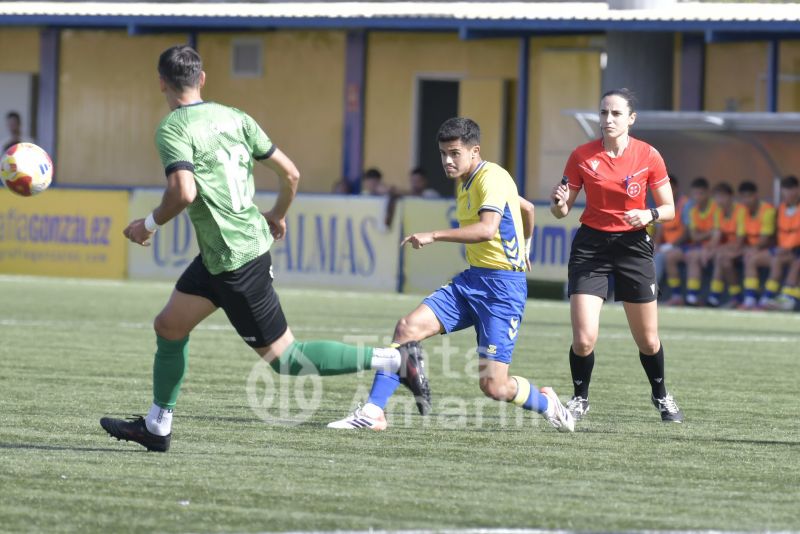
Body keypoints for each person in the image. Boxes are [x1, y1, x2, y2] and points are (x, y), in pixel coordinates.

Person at [99, 45, 429, 452]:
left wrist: (146, 225)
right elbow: (291, 173)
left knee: (286, 359)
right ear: (202, 79)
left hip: (237, 260)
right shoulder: (235, 117)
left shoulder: (172, 128)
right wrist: (277, 213)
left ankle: (395, 361)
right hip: (221, 255)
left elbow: (183, 191)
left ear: (161, 82)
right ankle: (157, 426)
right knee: (169, 326)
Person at [328, 117, 575, 432]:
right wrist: (526, 246)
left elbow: (487, 230)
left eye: (454, 153)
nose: (447, 160)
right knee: (407, 328)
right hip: (472, 281)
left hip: (502, 292)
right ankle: (374, 412)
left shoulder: (492, 178)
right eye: (443, 153)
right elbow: (526, 208)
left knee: (494, 387)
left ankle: (548, 404)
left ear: (475, 151)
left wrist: (433, 235)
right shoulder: (468, 181)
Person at [550, 88, 683, 423]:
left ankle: (661, 394)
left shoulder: (648, 155)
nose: (608, 120)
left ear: (630, 119)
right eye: (604, 113)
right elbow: (561, 212)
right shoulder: (582, 155)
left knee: (649, 341)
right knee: (583, 339)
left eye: (616, 114)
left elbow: (669, 209)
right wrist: (559, 202)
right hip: (591, 247)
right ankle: (580, 399)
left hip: (633, 247)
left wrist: (649, 215)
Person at [708, 181, 775, 307]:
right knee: (723, 259)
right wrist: (712, 249)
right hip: (747, 248)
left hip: (767, 250)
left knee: (749, 259)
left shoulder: (767, 210)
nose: (747, 200)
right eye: (743, 197)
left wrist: (743, 249)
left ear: (756, 195)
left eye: (749, 196)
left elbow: (764, 240)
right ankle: (735, 297)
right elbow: (718, 237)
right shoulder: (741, 210)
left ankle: (753, 299)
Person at [741, 175, 800, 309]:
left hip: (795, 251)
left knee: (783, 261)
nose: (788, 193)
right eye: (785, 190)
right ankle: (749, 300)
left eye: (791, 189)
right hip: (780, 249)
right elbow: (773, 235)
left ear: (797, 190)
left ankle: (770, 299)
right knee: (751, 259)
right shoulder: (780, 209)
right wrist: (756, 249)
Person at [665, 177, 719, 306]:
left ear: (708, 193)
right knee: (670, 256)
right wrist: (708, 233)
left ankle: (692, 297)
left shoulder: (716, 208)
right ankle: (676, 295)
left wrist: (708, 240)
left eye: (700, 193)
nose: (697, 197)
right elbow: (694, 237)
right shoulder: (693, 210)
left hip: (711, 248)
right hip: (695, 246)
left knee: (693, 256)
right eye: (694, 194)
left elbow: (717, 234)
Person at [705, 182, 744, 307]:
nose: (719, 200)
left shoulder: (740, 211)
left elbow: (740, 241)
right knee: (720, 258)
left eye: (722, 196)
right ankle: (718, 296)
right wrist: (709, 250)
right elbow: (716, 237)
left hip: (745, 247)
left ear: (731, 197)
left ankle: (731, 296)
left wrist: (719, 250)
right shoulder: (718, 212)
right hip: (729, 249)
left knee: (722, 257)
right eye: (716, 197)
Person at [653, 175, 689, 285]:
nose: (669, 192)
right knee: (650, 254)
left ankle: (652, 290)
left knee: (662, 257)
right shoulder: (662, 204)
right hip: (667, 246)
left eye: (671, 189)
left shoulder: (686, 204)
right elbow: (660, 229)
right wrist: (656, 245)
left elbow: (688, 232)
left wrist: (671, 246)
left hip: (683, 246)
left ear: (676, 188)